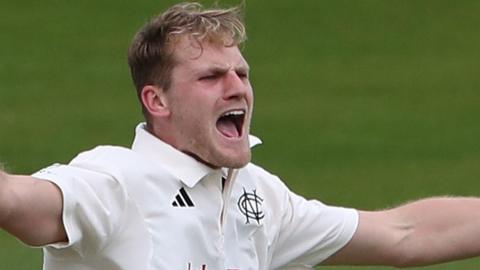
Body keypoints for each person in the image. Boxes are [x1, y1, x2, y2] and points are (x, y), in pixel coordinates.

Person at [1, 2, 480, 269]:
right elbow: (20, 202)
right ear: (157, 101)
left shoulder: (259, 196)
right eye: (211, 77)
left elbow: (403, 234)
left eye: (242, 73)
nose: (237, 88)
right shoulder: (115, 180)